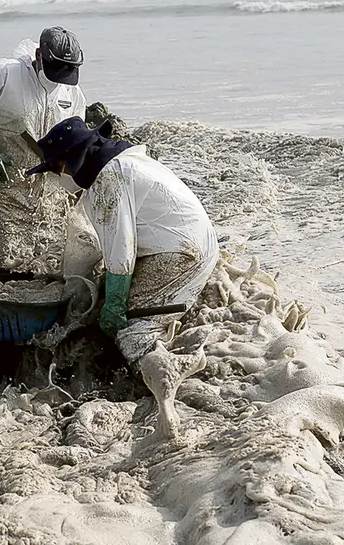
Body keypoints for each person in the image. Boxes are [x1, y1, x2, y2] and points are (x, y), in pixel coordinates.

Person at [27, 116, 219, 437]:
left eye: (56, 169)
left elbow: (121, 255)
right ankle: (155, 361)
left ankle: (162, 379)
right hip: (196, 243)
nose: (58, 178)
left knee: (130, 331)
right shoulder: (126, 160)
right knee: (139, 312)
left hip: (178, 254)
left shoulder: (107, 181)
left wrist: (114, 305)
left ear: (71, 162)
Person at [0, 26, 87, 269]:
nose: (60, 77)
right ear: (40, 55)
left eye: (68, 71)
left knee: (44, 264)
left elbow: (76, 138)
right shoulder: (1, 74)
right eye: (55, 69)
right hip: (2, 188)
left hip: (49, 195)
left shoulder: (73, 94)